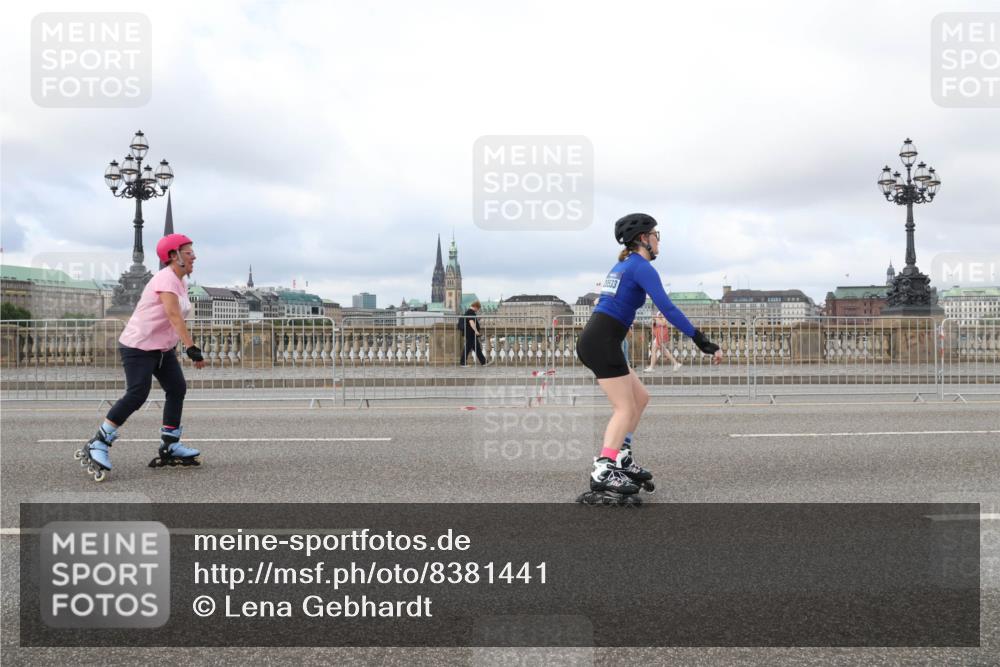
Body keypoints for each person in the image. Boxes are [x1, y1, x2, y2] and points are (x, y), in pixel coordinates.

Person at [575, 213, 722, 505]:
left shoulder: (624, 265)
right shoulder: (640, 267)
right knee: (624, 408)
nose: (658, 239)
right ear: (644, 238)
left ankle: (622, 458)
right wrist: (700, 340)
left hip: (601, 339)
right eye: (656, 235)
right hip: (602, 341)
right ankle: (604, 469)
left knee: (640, 398)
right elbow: (667, 307)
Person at [75, 234, 207, 482]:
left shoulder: (181, 282)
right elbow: (173, 315)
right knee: (138, 393)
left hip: (161, 348)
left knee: (177, 388)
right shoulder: (165, 278)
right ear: (173, 256)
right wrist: (191, 348)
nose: (194, 256)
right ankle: (99, 441)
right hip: (139, 346)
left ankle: (169, 443)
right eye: (188, 252)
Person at [458, 300, 490, 367]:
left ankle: (484, 362)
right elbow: (471, 323)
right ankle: (463, 363)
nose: (477, 310)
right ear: (475, 306)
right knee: (468, 348)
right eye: (478, 308)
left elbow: (471, 321)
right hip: (470, 333)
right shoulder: (470, 312)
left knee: (477, 348)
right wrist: (476, 331)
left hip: (470, 333)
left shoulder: (469, 312)